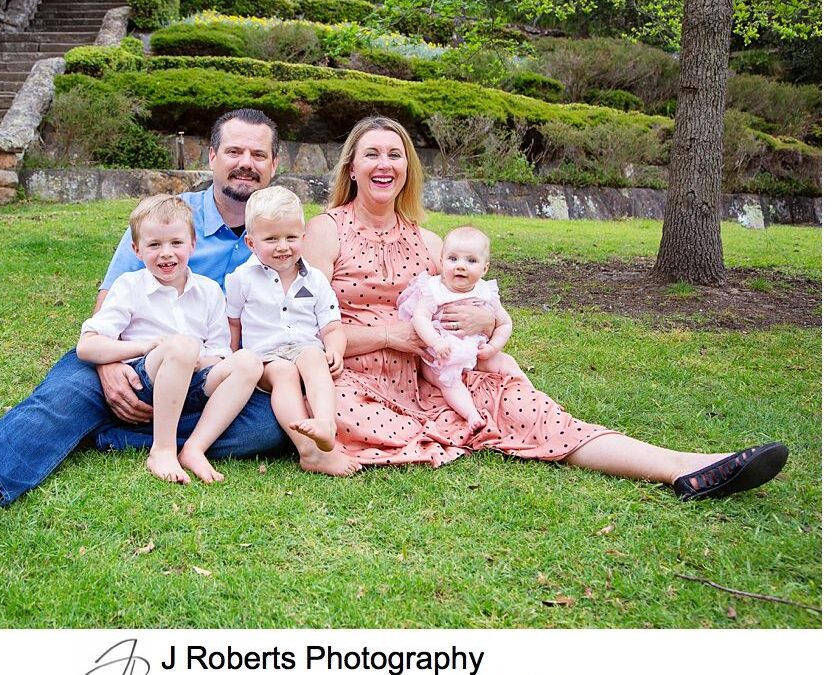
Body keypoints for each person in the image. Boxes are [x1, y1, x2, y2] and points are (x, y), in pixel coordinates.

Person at [302, 115, 788, 500]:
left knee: (535, 413)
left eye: (396, 154)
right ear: (351, 167)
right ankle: (436, 432)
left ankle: (686, 466)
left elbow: (469, 301)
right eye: (371, 154)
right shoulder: (326, 230)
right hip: (353, 380)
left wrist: (486, 319)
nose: (384, 164)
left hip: (429, 378)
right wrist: (390, 335)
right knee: (339, 412)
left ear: (409, 168)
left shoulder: (429, 241)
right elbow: (304, 326)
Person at [0, 109, 317, 528]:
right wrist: (110, 366)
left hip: (207, 376)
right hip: (130, 357)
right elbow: (108, 306)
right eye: (235, 151)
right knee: (62, 399)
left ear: (274, 164)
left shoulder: (283, 233)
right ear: (212, 157)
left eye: (259, 155)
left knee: (267, 428)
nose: (246, 163)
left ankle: (105, 436)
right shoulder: (166, 216)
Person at [77, 194, 262, 484]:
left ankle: (194, 448)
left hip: (193, 381)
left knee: (248, 362)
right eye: (154, 245)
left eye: (176, 243)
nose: (167, 253)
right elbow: (87, 345)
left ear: (193, 245)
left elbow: (219, 352)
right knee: (183, 344)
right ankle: (162, 450)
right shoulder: (130, 286)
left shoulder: (210, 291)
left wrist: (201, 361)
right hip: (145, 380)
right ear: (137, 250)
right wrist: (143, 347)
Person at [225, 186, 362, 477]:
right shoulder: (241, 279)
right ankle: (308, 451)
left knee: (315, 356)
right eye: (271, 239)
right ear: (250, 242)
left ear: (303, 237)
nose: (282, 246)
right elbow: (233, 324)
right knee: (284, 373)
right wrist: (231, 357)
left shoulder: (315, 280)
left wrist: (335, 349)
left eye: (290, 237)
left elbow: (332, 326)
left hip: (303, 349)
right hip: (264, 358)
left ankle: (325, 423)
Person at [398, 225, 528, 431]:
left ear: (485, 268)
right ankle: (471, 414)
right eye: (453, 259)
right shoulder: (434, 289)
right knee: (449, 381)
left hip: (476, 352)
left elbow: (505, 323)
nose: (461, 266)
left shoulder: (486, 291)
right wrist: (436, 342)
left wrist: (493, 347)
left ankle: (530, 394)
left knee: (507, 362)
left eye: (471, 260)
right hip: (440, 356)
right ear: (441, 262)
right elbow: (419, 318)